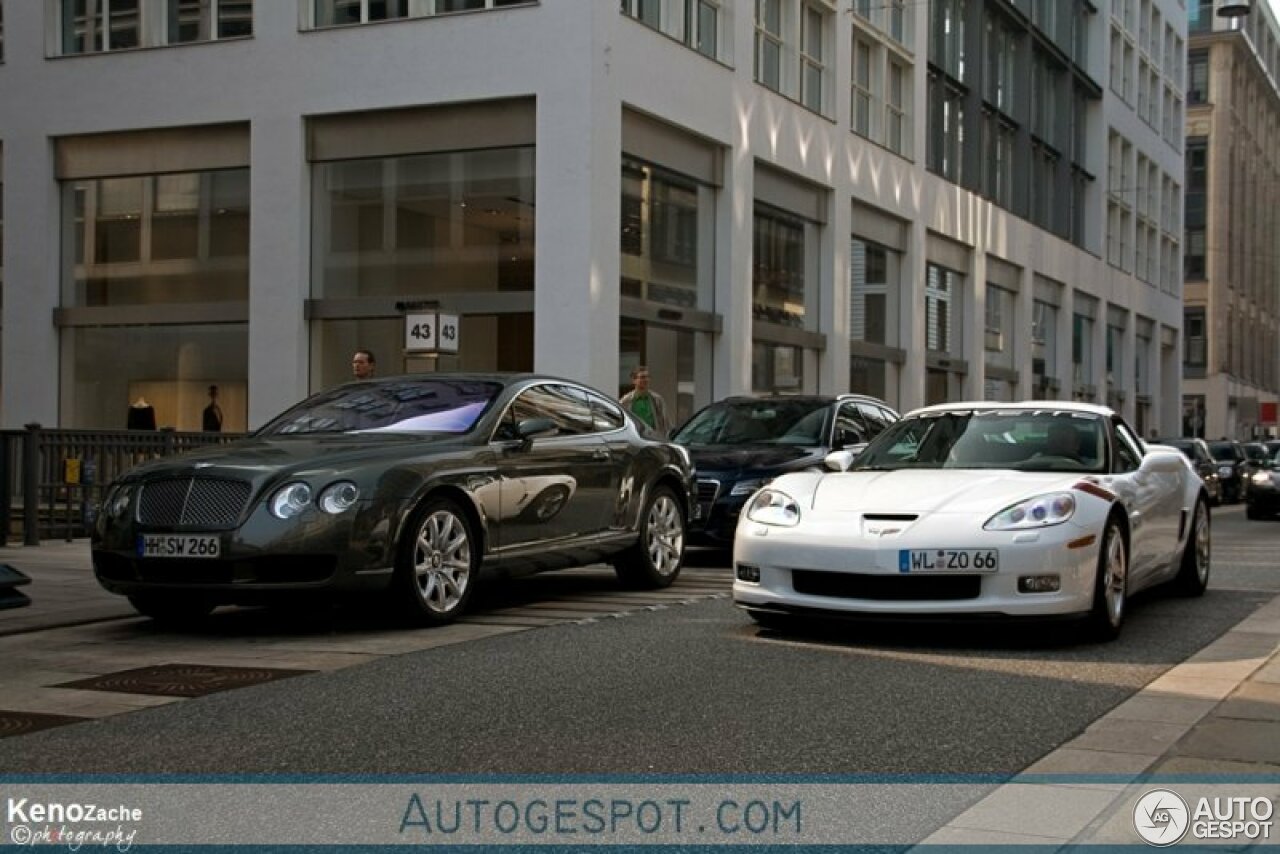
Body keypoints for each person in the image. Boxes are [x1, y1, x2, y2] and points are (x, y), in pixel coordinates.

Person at [619, 365, 671, 439]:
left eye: (647, 377)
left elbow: (665, 422)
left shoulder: (657, 399)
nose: (646, 380)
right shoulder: (626, 401)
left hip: (653, 438)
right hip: (634, 438)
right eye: (642, 377)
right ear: (634, 380)